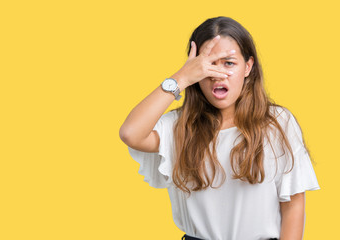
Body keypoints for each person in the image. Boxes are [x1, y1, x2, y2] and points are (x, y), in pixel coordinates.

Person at [119, 16, 320, 240]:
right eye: (208, 65)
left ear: (248, 67)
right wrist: (181, 78)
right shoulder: (178, 126)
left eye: (229, 63)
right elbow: (131, 133)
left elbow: (293, 205)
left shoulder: (277, 122)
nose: (218, 74)